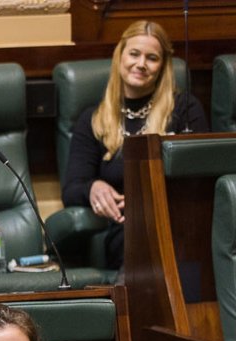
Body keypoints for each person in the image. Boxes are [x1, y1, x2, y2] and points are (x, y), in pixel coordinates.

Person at [62, 20, 208, 272]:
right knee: (133, 236)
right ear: (120, 56)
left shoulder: (184, 110)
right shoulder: (93, 119)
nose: (141, 64)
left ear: (162, 66)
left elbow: (202, 178)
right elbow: (71, 190)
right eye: (134, 54)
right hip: (124, 232)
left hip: (176, 222)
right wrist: (93, 188)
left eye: (152, 58)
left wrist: (147, 202)